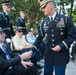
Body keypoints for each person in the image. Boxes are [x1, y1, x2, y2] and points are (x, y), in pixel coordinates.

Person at [32, 0, 76, 75]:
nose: (42, 9)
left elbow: (72, 35)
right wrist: (32, 50)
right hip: (48, 55)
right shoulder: (43, 23)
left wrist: (61, 45)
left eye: (44, 7)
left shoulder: (65, 19)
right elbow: (39, 38)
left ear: (51, 5)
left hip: (61, 56)